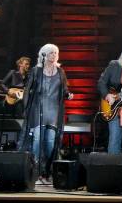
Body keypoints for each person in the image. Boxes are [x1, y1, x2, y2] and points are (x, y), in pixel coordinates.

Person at [18, 44, 73, 183]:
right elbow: (27, 90)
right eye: (51, 53)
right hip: (38, 110)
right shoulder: (36, 71)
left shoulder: (61, 72)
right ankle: (34, 170)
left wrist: (68, 94)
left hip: (54, 112)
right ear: (44, 55)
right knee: (36, 141)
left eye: (56, 53)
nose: (54, 55)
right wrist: (26, 109)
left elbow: (64, 89)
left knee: (50, 143)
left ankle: (46, 170)